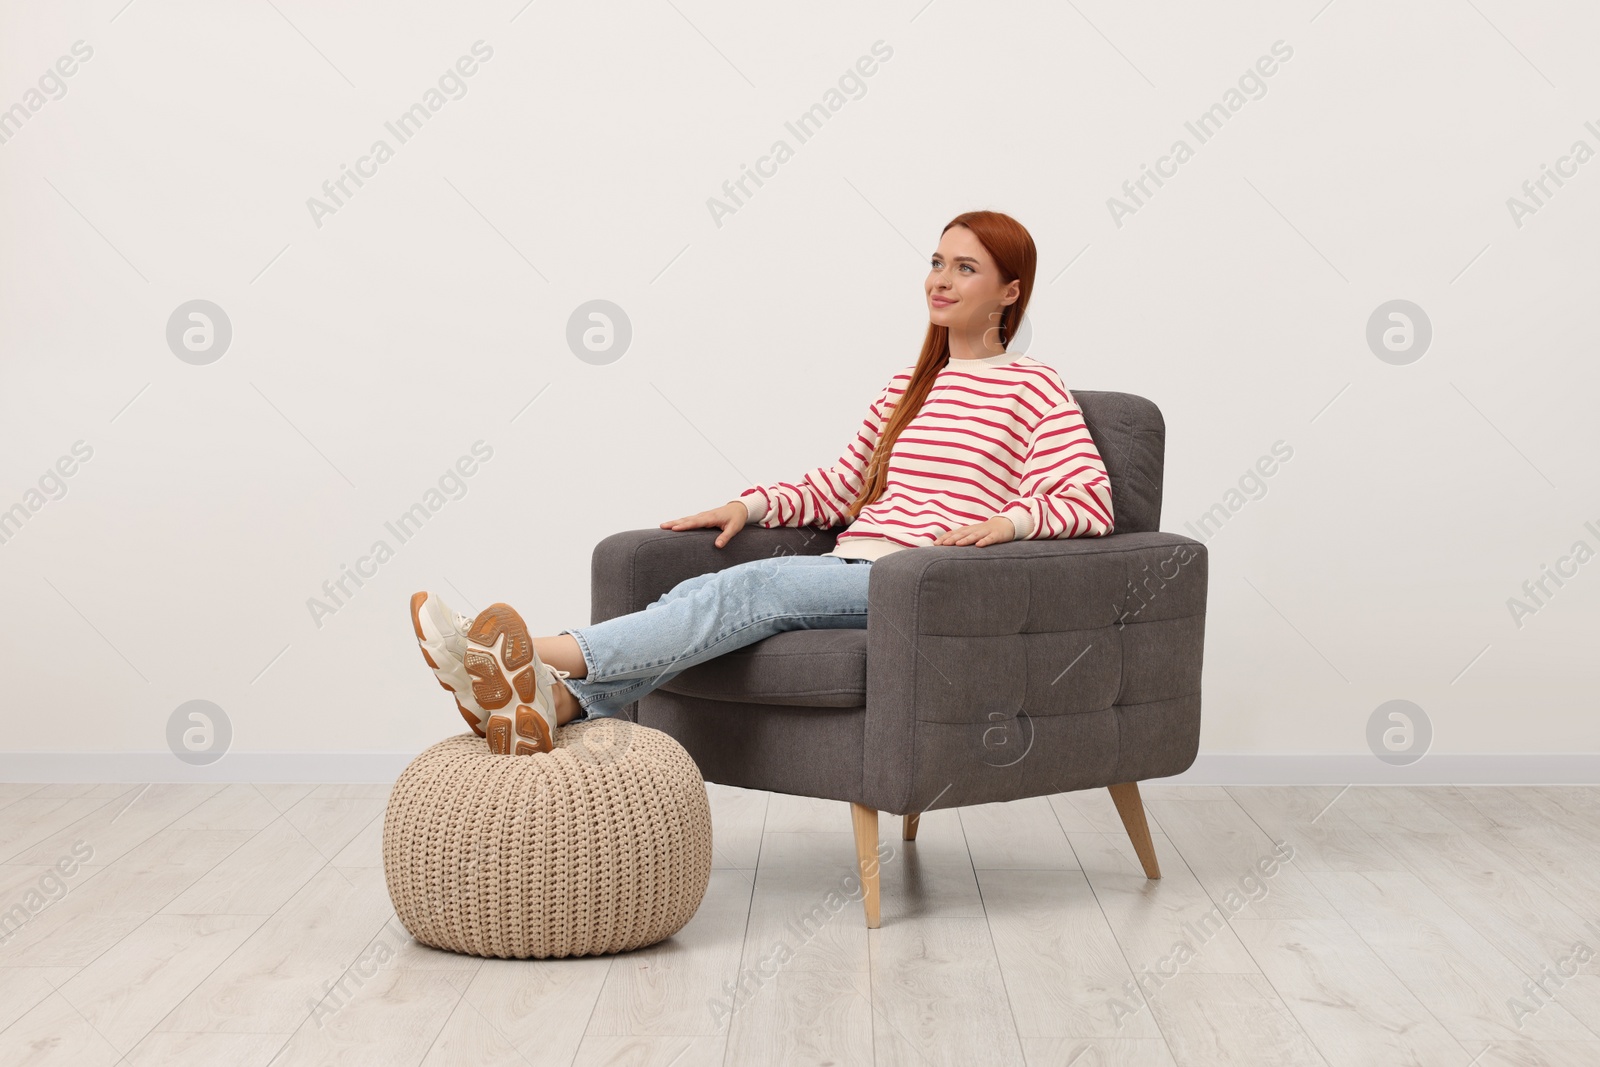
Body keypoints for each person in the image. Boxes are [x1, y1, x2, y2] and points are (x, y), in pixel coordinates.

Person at [410, 209, 1115, 756]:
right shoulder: (910, 386)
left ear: (1010, 290)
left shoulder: (1032, 386)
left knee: (754, 589)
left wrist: (1010, 523)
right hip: (854, 565)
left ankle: (517, 649)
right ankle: (551, 704)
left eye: (965, 267)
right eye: (936, 262)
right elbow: (842, 485)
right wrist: (747, 505)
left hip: (919, 581)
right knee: (705, 592)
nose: (940, 278)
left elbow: (1090, 498)